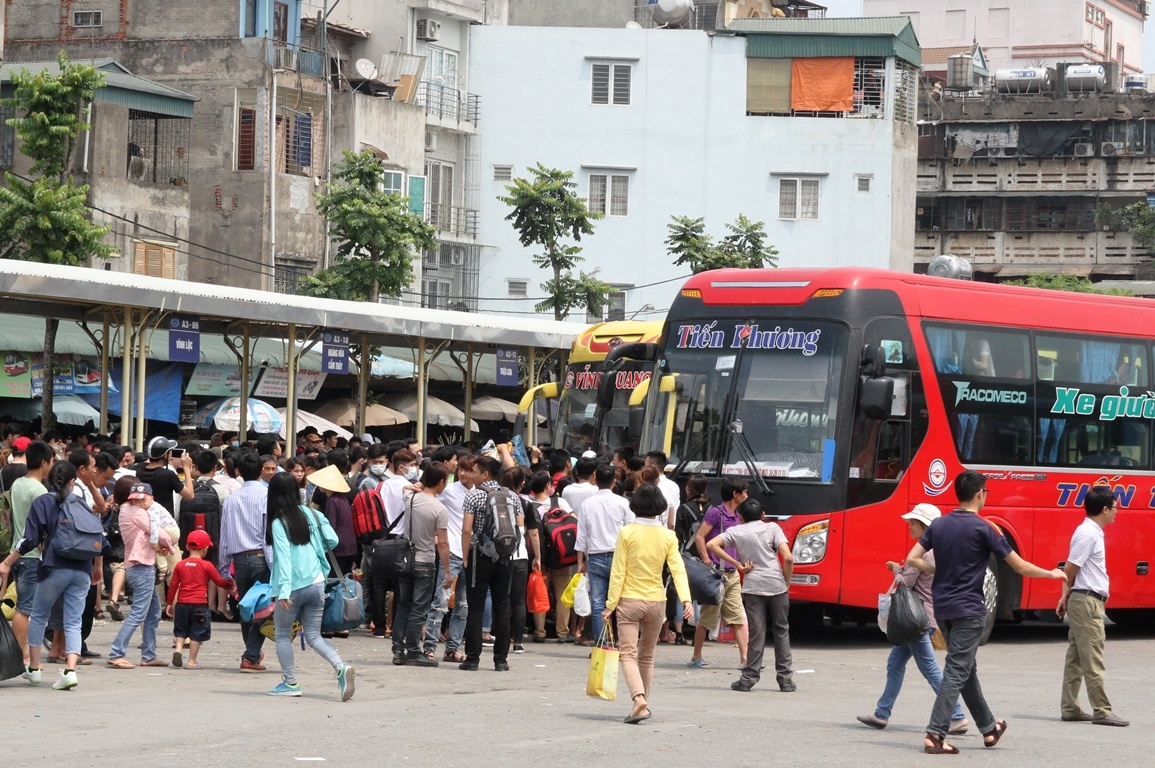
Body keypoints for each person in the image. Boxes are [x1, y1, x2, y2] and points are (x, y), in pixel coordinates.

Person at [907, 470, 1067, 754]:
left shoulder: (939, 525)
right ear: (980, 493)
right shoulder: (985, 528)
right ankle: (935, 733)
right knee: (957, 670)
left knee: (966, 670)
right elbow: (1019, 566)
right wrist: (1051, 574)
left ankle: (989, 729)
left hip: (943, 609)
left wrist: (939, 570)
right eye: (986, 492)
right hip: (969, 610)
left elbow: (912, 558)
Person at [856, 504, 968, 732]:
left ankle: (957, 715)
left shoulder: (923, 554)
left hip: (916, 620)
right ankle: (881, 714)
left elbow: (905, 583)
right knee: (895, 664)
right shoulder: (940, 551)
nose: (910, 527)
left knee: (930, 669)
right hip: (924, 618)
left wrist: (896, 569)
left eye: (913, 523)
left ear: (925, 527)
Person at [0, 461, 104, 690]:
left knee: (38, 615)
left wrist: (7, 562)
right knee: (73, 621)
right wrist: (97, 568)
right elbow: (99, 538)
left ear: (49, 479)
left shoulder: (43, 502)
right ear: (72, 481)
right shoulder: (80, 502)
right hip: (82, 569)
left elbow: (30, 539)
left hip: (54, 567)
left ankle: (35, 668)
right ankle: (70, 670)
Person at [603, 483, 692, 724]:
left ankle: (638, 699)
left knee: (628, 654)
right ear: (660, 506)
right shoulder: (668, 535)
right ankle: (642, 705)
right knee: (647, 656)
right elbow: (677, 569)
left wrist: (610, 605)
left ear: (635, 505)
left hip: (629, 600)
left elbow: (618, 572)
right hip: (656, 602)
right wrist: (686, 598)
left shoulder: (627, 533)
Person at [265, 473, 355, 700]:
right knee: (314, 635)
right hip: (317, 582)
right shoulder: (312, 514)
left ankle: (291, 682)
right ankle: (340, 667)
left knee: (282, 634)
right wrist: (313, 550)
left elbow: (284, 558)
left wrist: (284, 591)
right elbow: (333, 540)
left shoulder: (279, 522)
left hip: (293, 586)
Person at [1056, 486, 1128, 726]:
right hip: (1087, 602)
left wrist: (1066, 597)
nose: (1117, 511)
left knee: (1076, 658)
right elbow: (1070, 567)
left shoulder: (1090, 531)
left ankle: (1070, 708)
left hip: (1083, 599)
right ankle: (1102, 710)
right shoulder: (1088, 533)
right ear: (1105, 509)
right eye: (1115, 507)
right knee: (1093, 657)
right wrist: (1065, 595)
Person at [708, 497, 796, 693]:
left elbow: (712, 545)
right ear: (763, 515)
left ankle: (749, 678)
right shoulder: (772, 528)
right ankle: (785, 680)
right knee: (782, 630)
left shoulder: (736, 531)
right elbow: (788, 558)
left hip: (753, 586)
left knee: (757, 633)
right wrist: (786, 583)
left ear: (740, 517)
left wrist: (737, 564)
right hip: (777, 584)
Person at [460, 456, 520, 671]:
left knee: (475, 608)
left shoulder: (473, 495)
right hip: (505, 557)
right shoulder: (512, 496)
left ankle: (472, 659)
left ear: (485, 474)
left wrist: (465, 555)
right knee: (502, 607)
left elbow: (467, 529)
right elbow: (519, 525)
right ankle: (501, 660)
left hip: (479, 557)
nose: (471, 475)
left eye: (474, 471)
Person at [106, 482, 174, 669]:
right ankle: (116, 653)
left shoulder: (125, 509)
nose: (140, 503)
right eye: (137, 500)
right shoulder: (137, 512)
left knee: (153, 612)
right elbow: (158, 532)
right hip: (141, 566)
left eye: (142, 500)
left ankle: (149, 655)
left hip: (138, 565)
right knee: (138, 613)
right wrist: (171, 546)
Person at [219, 451, 273, 673]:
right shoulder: (267, 496)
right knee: (262, 608)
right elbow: (268, 535)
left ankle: (252, 653)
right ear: (261, 470)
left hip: (239, 559)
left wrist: (224, 569)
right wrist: (274, 565)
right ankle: (250, 656)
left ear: (239, 471)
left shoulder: (231, 499)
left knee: (246, 608)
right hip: (261, 558)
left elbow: (224, 536)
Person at [392, 462, 451, 667]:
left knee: (404, 605)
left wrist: (413, 486)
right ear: (441, 482)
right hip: (425, 561)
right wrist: (447, 571)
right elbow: (442, 543)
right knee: (419, 609)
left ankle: (398, 650)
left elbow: (404, 489)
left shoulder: (410, 497)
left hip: (406, 560)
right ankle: (413, 650)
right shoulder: (439, 509)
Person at [4, 440, 53, 675]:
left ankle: (20, 653)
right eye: (51, 461)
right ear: (43, 462)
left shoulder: (17, 484)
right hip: (32, 554)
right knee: (25, 608)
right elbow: (42, 528)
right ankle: (19, 656)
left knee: (23, 605)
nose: (52, 466)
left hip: (16, 551)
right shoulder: (40, 491)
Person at [689, 477, 749, 669]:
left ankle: (745, 659)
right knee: (707, 618)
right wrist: (706, 559)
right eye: (744, 492)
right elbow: (700, 536)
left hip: (733, 575)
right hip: (716, 575)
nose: (746, 496)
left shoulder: (740, 514)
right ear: (735, 494)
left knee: (737, 617)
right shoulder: (716, 512)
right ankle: (696, 656)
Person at [574, 464, 634, 646]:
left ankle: (602, 645)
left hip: (596, 556)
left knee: (598, 602)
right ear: (614, 482)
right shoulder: (623, 503)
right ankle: (623, 642)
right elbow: (630, 531)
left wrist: (580, 562)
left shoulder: (587, 504)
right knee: (621, 601)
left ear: (595, 479)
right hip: (619, 556)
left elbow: (582, 535)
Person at [424, 453, 475, 662]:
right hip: (452, 551)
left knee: (463, 605)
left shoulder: (480, 493)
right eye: (460, 468)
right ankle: (429, 647)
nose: (462, 473)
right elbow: (429, 500)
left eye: (468, 470)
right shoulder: (449, 490)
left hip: (471, 553)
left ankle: (452, 648)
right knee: (441, 601)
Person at [166, 529, 235, 669]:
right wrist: (230, 584)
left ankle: (178, 649)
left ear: (187, 547)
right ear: (206, 549)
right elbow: (218, 581)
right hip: (200, 604)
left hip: (182, 603)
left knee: (181, 630)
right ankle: (191, 661)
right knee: (196, 633)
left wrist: (169, 603)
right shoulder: (207, 565)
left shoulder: (180, 565)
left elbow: (173, 585)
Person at [134, 436, 194, 516]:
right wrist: (186, 468)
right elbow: (189, 495)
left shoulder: (138, 472)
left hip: (143, 517)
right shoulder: (168, 475)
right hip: (163, 519)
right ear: (166, 454)